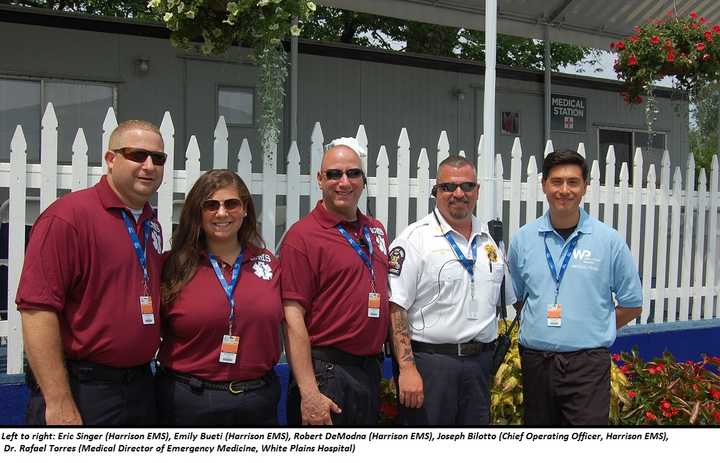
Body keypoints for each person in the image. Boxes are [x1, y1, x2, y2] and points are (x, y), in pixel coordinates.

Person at [16, 120, 166, 425]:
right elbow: (37, 310)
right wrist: (58, 401)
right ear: (111, 160)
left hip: (139, 387)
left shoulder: (151, 223)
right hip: (84, 391)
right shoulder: (68, 218)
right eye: (137, 155)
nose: (149, 165)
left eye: (158, 158)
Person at [507, 149, 642, 426]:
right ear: (544, 185)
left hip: (587, 365)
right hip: (536, 362)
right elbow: (520, 297)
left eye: (573, 182)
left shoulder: (609, 241)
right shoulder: (523, 239)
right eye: (556, 182)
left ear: (585, 187)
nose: (564, 190)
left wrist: (595, 327)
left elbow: (631, 304)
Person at [387, 155, 515, 425]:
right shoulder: (414, 240)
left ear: (477, 191)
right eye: (449, 187)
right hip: (431, 366)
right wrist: (407, 368)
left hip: (479, 366)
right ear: (436, 191)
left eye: (467, 186)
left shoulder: (489, 240)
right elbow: (396, 308)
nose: (459, 193)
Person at [156, 170, 282, 426]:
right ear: (197, 212)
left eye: (231, 204)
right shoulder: (171, 266)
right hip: (189, 400)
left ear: (245, 209)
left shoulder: (268, 263)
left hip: (257, 399)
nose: (222, 213)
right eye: (211, 205)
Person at [280, 137, 390, 426]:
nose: (344, 182)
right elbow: (292, 317)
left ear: (363, 181)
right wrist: (309, 392)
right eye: (334, 174)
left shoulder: (375, 230)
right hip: (326, 374)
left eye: (353, 173)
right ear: (319, 179)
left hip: (368, 371)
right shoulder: (302, 237)